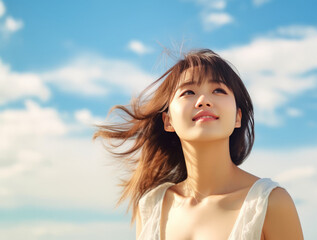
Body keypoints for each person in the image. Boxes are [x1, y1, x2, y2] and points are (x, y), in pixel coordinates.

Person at [94, 49, 304, 240]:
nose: (203, 100)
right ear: (168, 121)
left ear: (237, 117)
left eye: (219, 91)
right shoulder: (151, 206)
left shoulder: (270, 203)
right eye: (188, 92)